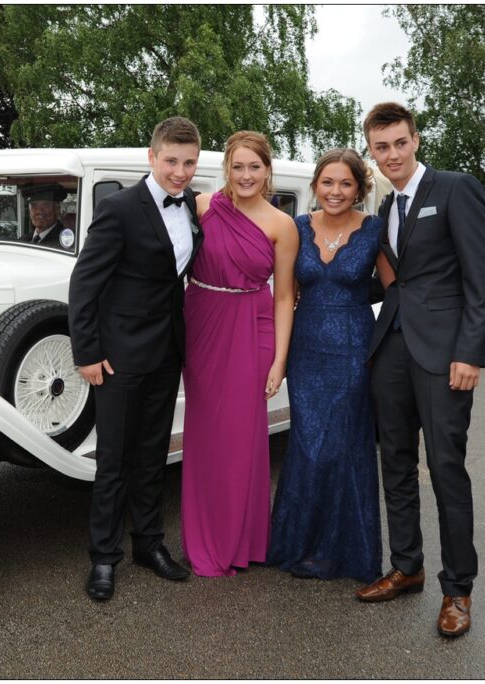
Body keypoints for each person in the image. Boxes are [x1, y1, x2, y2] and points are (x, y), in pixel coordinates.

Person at [358, 102, 485, 639]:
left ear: (415, 140)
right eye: (380, 146)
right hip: (390, 348)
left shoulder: (455, 188)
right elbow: (397, 280)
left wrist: (470, 353)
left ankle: (457, 588)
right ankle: (407, 566)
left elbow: (480, 276)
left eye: (398, 143)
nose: (391, 154)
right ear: (371, 149)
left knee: (445, 468)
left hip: (444, 355)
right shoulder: (387, 205)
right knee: (393, 462)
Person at [68, 116, 205, 601]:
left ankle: (150, 544)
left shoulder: (191, 205)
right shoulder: (120, 208)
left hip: (168, 352)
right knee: (114, 460)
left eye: (189, 163)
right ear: (152, 157)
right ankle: (104, 558)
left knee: (153, 456)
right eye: (171, 161)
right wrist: (87, 352)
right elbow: (85, 282)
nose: (180, 172)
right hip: (118, 357)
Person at [179, 131, 297, 577]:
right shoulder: (204, 206)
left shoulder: (281, 225)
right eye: (238, 166)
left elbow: (284, 296)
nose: (245, 175)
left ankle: (241, 541)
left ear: (268, 171)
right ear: (226, 168)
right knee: (206, 432)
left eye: (254, 167)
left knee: (242, 436)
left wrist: (280, 359)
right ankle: (202, 533)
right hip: (202, 323)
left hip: (253, 327)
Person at [266, 149, 384, 583]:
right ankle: (296, 544)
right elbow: (284, 296)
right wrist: (278, 359)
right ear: (316, 185)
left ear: (359, 188)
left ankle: (345, 552)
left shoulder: (374, 230)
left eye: (346, 183)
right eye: (328, 182)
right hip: (306, 349)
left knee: (344, 446)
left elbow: (396, 291)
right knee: (308, 444)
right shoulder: (297, 227)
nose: (336, 191)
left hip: (355, 351)